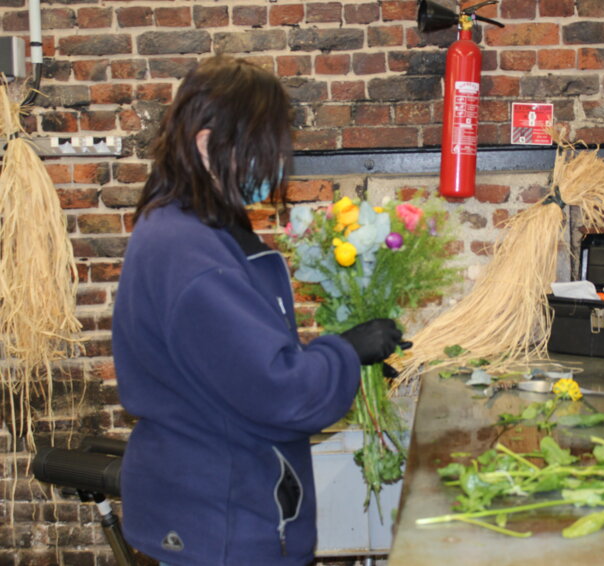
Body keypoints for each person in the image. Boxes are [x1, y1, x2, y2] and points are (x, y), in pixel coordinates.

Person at [112, 55, 407, 566]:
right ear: (207, 145)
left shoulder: (194, 230)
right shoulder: (188, 251)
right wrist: (347, 353)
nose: (273, 166)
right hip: (222, 519)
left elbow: (236, 367)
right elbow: (280, 392)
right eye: (261, 149)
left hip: (212, 505)